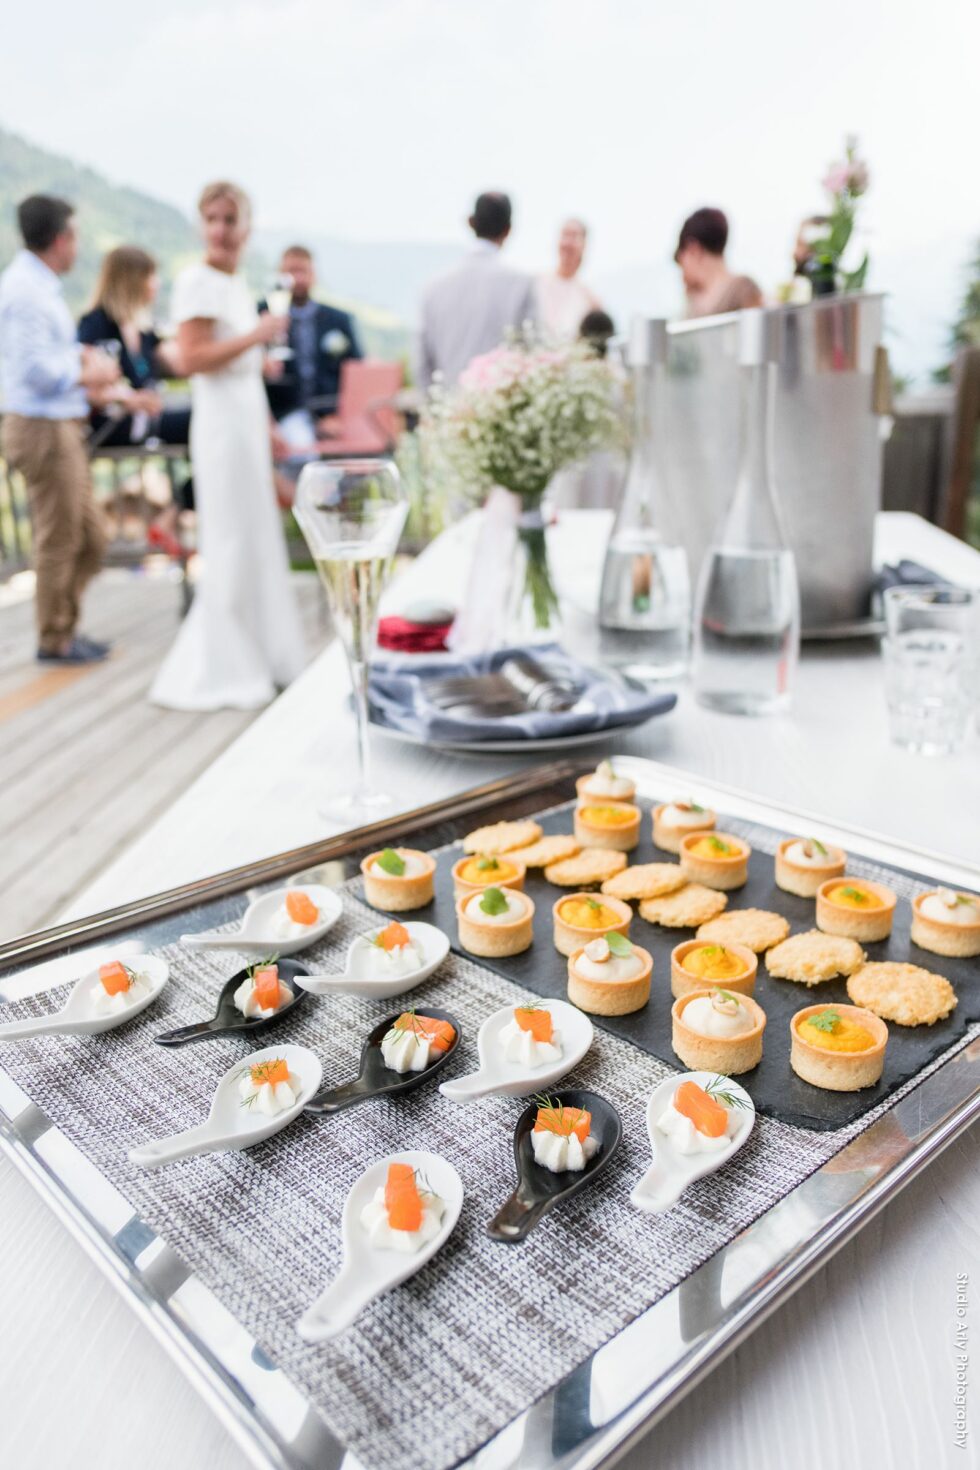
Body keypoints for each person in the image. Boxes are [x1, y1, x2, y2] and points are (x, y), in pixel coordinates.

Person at [149, 181, 306, 711]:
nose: (220, 229)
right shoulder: (196, 282)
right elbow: (191, 359)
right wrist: (257, 335)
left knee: (256, 534)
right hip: (218, 428)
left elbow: (241, 369)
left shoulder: (234, 282)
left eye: (229, 218)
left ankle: (264, 653)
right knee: (232, 540)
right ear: (201, 225)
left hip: (244, 423)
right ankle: (227, 663)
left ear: (246, 226)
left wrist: (267, 426)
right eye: (211, 218)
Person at [0, 195, 121, 664]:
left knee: (91, 539)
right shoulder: (27, 291)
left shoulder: (36, 286)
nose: (77, 247)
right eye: (74, 236)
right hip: (41, 428)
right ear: (60, 238)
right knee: (59, 539)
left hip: (56, 424)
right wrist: (84, 367)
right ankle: (55, 638)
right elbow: (34, 370)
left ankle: (64, 626)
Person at [78, 246, 193, 554]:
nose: (155, 285)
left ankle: (175, 511)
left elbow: (183, 361)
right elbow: (83, 382)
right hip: (111, 426)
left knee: (209, 426)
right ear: (133, 279)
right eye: (151, 277)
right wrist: (129, 398)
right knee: (201, 423)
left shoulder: (144, 331)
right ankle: (174, 513)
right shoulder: (94, 325)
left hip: (145, 424)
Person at [416, 192, 536, 389]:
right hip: (500, 411)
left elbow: (422, 364)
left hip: (447, 411)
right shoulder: (521, 285)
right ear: (508, 230)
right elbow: (530, 353)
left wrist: (432, 410)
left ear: (470, 222)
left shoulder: (433, 288)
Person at [264, 245, 361, 438]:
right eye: (291, 272)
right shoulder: (263, 315)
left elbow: (357, 370)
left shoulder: (338, 320)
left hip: (331, 413)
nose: (298, 279)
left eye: (303, 271)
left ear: (314, 275)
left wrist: (340, 415)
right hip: (283, 414)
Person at [674, 207, 763, 317]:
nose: (682, 274)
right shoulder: (693, 299)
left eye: (681, 263)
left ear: (693, 250)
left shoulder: (743, 289)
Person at [536, 219, 601, 340]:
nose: (567, 242)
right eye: (564, 235)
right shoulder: (536, 283)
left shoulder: (591, 301)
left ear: (584, 245)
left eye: (574, 236)